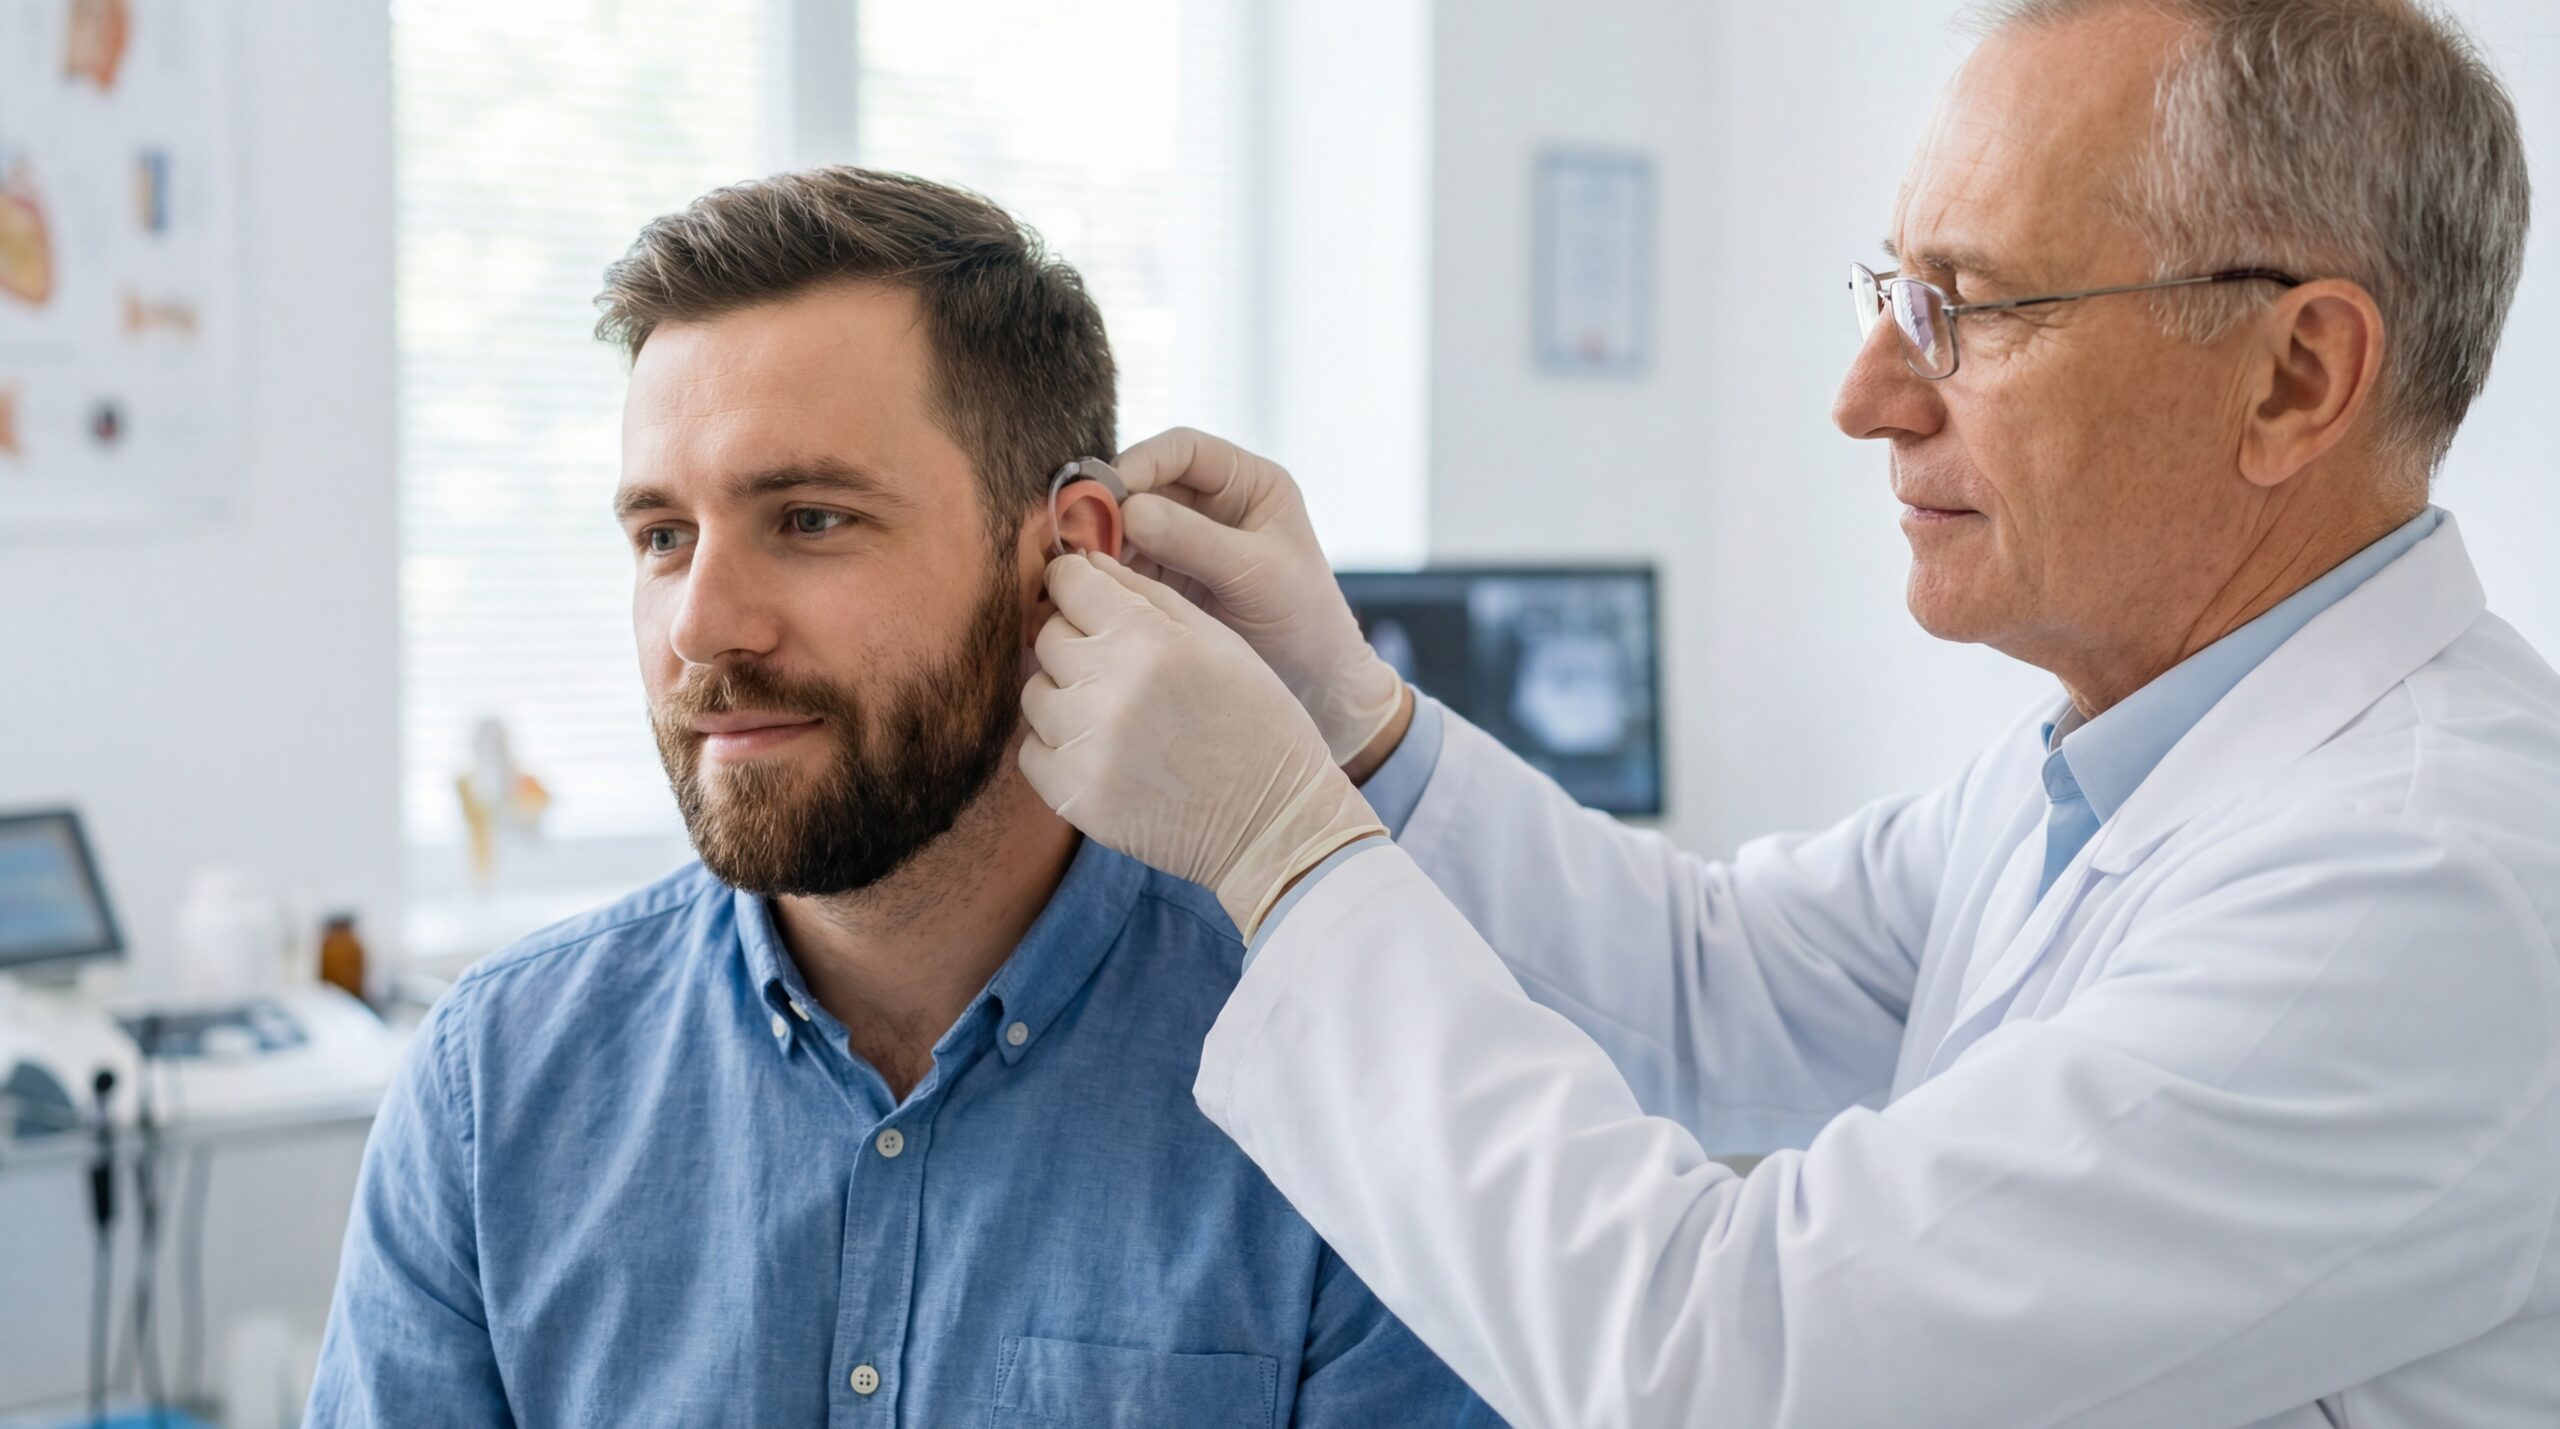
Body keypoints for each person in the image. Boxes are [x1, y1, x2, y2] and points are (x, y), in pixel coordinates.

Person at [1015, 2, 2560, 1425]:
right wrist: (1350, 715)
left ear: (2296, 376)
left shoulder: (2421, 889)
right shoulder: (2116, 761)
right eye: (1897, 292)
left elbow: (1735, 1364)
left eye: (1971, 307)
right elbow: (1706, 978)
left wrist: (1282, 853)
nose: (1868, 392)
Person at [306, 168, 1496, 1428]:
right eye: (662, 535)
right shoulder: (495, 1084)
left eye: (809, 518)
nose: (701, 623)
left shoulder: (1343, 1085)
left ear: (1071, 556)